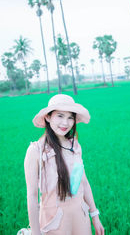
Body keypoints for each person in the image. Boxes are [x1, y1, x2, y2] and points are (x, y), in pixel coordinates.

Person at [24, 94, 104, 235]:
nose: (65, 123)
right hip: (54, 223)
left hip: (81, 218)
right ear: (48, 117)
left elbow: (84, 183)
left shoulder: (75, 146)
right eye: (60, 116)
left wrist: (95, 216)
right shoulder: (36, 151)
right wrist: (35, 233)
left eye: (70, 117)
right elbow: (31, 196)